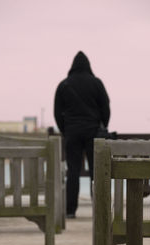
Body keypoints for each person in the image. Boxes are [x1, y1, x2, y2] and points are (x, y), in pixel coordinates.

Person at [54, 51, 110, 218]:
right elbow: (106, 108)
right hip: (93, 132)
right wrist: (103, 126)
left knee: (73, 171)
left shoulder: (64, 85)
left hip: (72, 132)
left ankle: (70, 210)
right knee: (96, 171)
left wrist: (66, 130)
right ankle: (98, 209)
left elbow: (57, 113)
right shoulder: (97, 83)